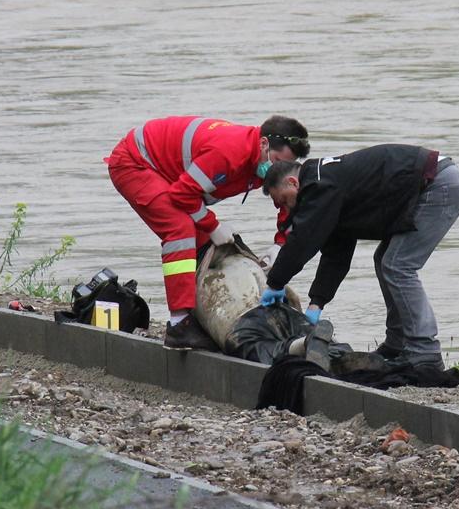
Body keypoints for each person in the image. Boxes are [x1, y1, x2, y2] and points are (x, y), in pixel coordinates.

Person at [107, 115, 309, 350]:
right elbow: (182, 194)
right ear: (263, 144)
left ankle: (197, 316)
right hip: (135, 162)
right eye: (275, 161)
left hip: (172, 177)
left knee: (203, 241)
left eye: (284, 165)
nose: (277, 169)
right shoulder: (230, 152)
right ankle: (179, 326)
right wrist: (213, 225)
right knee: (180, 231)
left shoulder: (263, 162)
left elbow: (286, 198)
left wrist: (280, 244)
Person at [260, 144, 459, 370]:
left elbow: (303, 240)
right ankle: (397, 344)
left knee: (398, 265)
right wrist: (317, 302)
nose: (286, 209)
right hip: (427, 185)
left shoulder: (319, 186)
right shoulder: (326, 187)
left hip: (438, 185)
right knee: (385, 260)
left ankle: (425, 351)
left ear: (293, 183)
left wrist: (275, 282)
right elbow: (336, 255)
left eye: (283, 201)